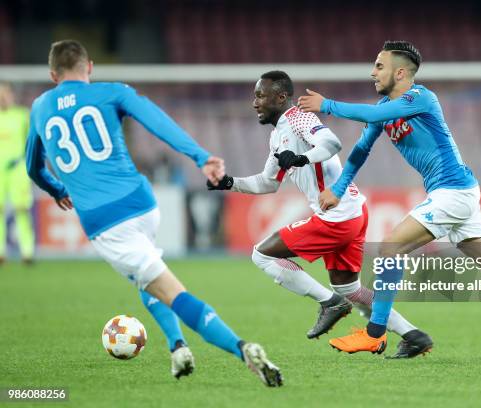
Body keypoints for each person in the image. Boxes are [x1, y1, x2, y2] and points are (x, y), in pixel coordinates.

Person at [297, 40, 481, 354]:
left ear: (400, 73)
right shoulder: (383, 111)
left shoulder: (421, 97)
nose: (373, 73)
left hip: (452, 190)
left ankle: (375, 333)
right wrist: (339, 189)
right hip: (454, 192)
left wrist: (327, 105)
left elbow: (370, 112)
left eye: (379, 66)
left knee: (390, 248)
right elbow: (360, 150)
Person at [25, 39, 282, 386]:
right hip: (142, 202)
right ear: (90, 68)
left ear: (53, 74)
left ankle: (242, 348)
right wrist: (200, 156)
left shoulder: (40, 107)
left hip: (105, 221)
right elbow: (156, 120)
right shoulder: (113, 91)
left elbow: (34, 168)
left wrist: (59, 191)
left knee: (169, 290)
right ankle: (177, 347)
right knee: (147, 275)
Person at [208, 70, 432, 358]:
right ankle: (413, 335)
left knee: (262, 254)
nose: (255, 102)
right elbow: (268, 182)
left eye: (260, 95)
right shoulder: (278, 136)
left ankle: (329, 302)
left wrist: (303, 157)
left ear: (281, 97)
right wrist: (230, 183)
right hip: (351, 211)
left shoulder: (299, 117)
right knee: (352, 289)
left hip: (337, 215)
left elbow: (331, 143)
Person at [0, 83, 35, 264]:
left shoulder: (21, 116)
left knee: (22, 210)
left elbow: (31, 142)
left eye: (5, 94)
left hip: (17, 168)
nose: (2, 98)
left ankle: (27, 252)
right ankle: (1, 252)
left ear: (12, 95)